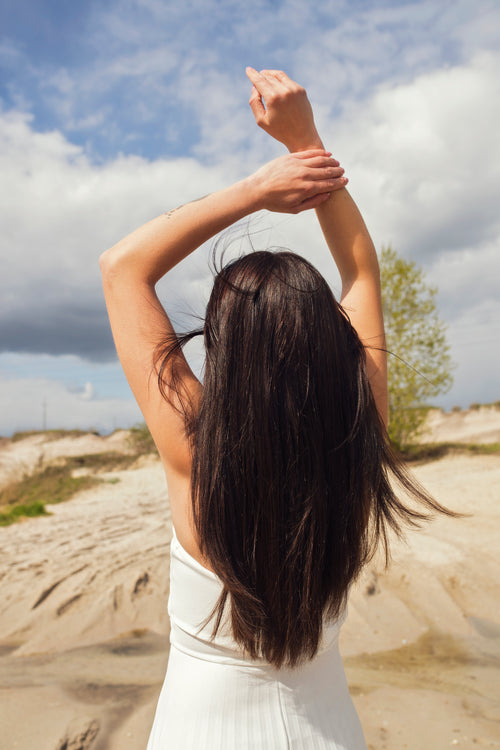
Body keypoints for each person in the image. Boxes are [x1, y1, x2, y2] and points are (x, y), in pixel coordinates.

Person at [99, 68, 452, 749]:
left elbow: (123, 266)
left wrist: (259, 188)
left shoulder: (195, 453)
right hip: (328, 728)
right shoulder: (359, 432)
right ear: (330, 343)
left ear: (223, 354)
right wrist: (307, 144)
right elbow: (362, 274)